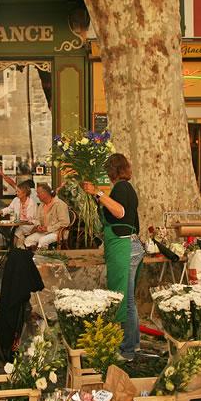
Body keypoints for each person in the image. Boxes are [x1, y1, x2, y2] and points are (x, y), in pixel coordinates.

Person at [82, 153, 144, 361]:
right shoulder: (125, 188)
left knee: (123, 300)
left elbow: (119, 212)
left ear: (112, 170)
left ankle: (126, 350)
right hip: (129, 245)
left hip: (124, 247)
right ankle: (132, 345)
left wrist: (97, 193)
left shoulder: (121, 187)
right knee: (129, 300)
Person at [24, 183, 70, 249]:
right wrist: (38, 226)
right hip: (45, 232)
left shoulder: (59, 204)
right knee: (29, 240)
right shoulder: (41, 205)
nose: (37, 195)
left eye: (38, 193)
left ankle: (43, 258)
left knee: (42, 240)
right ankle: (31, 257)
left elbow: (64, 222)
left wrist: (48, 228)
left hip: (58, 232)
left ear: (45, 193)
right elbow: (37, 219)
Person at [0, 181, 38, 246]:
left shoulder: (32, 203)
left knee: (17, 232)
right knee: (15, 231)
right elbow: (9, 209)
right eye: (16, 191)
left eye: (18, 192)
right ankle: (16, 249)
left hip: (29, 226)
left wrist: (24, 222)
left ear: (24, 193)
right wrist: (0, 212)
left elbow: (35, 219)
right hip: (18, 225)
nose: (16, 193)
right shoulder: (16, 200)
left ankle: (14, 249)